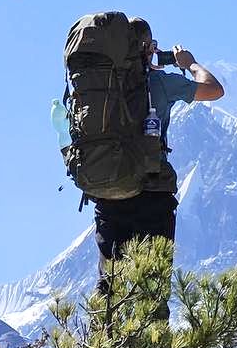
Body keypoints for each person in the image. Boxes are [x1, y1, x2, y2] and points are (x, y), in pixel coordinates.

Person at [90, 17, 224, 287]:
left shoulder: (100, 88)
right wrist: (190, 63)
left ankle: (104, 328)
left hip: (109, 196)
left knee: (109, 289)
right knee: (153, 290)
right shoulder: (160, 83)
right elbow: (214, 90)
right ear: (147, 49)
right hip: (151, 196)